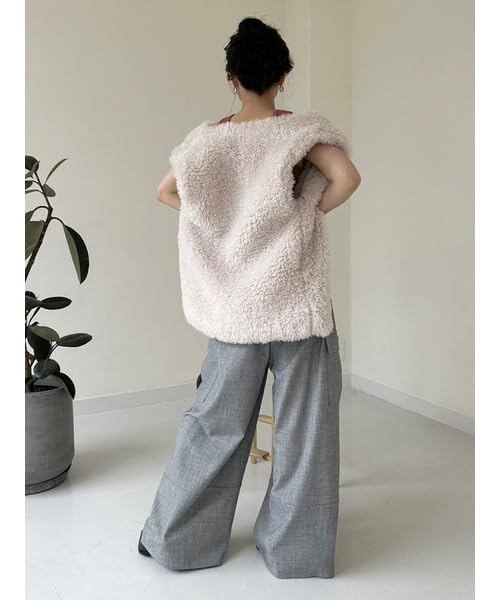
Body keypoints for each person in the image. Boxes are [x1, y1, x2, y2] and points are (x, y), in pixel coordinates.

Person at [139, 16, 361, 579]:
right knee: (306, 433)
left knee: (214, 425)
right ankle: (295, 552)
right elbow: (347, 177)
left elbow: (165, 191)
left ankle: (178, 540)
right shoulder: (300, 133)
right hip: (297, 306)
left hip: (235, 311)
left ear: (232, 78)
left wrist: (221, 229)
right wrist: (302, 215)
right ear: (282, 77)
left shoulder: (206, 141)